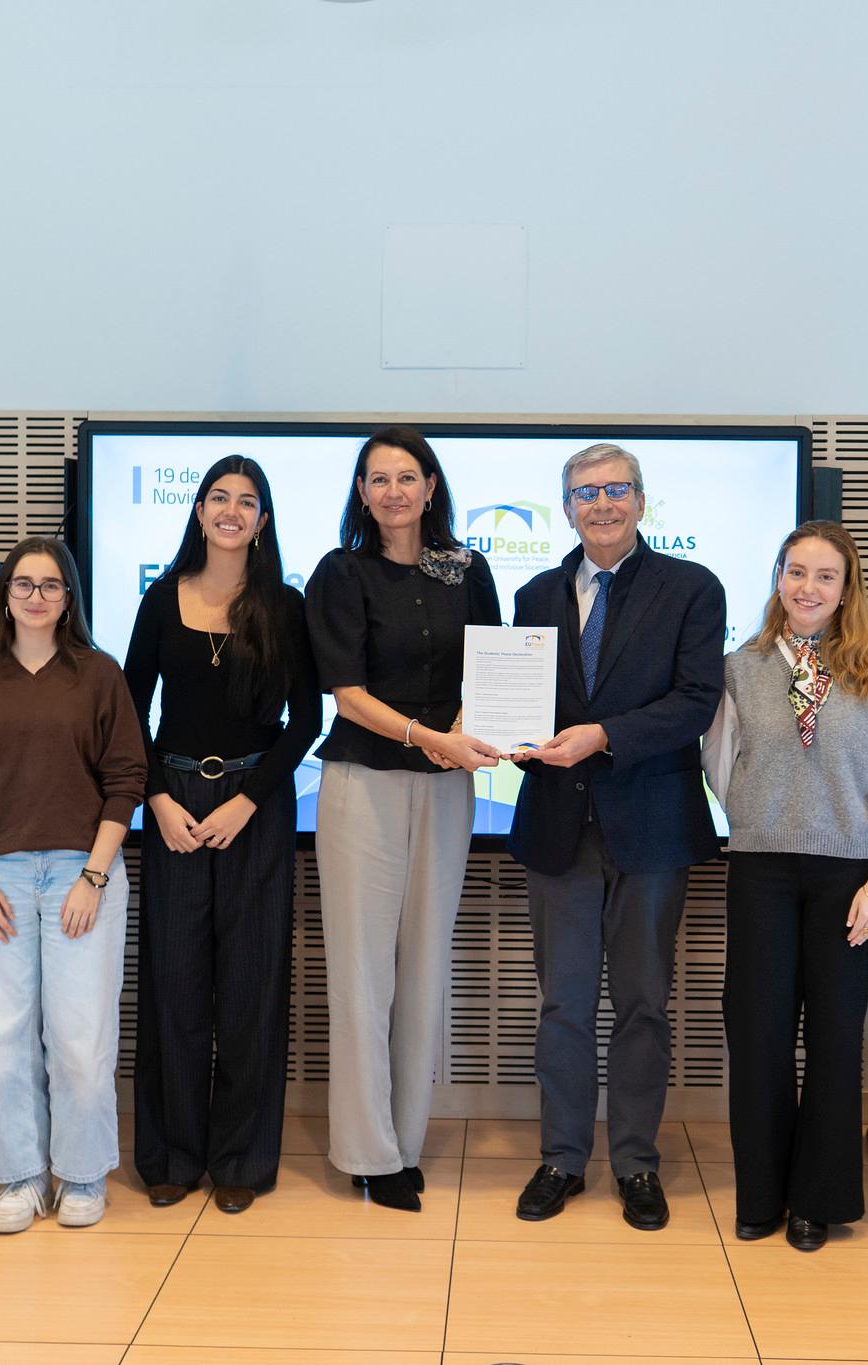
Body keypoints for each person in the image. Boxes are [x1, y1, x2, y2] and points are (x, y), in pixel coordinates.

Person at [506, 443, 726, 1231]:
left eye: (615, 490)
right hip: (558, 826)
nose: (601, 504)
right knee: (563, 1004)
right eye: (585, 492)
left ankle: (636, 1161)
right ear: (565, 506)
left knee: (643, 1005)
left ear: (642, 499)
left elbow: (696, 701)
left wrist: (601, 734)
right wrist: (503, 730)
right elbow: (515, 697)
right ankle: (562, 1157)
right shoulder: (534, 593)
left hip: (652, 826)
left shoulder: (691, 589)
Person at [702, 520, 868, 1251]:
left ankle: (815, 1199)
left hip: (847, 876)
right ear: (778, 577)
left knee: (833, 1037)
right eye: (796, 571)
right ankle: (761, 1193)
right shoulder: (742, 666)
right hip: (760, 866)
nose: (808, 587)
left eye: (825, 575)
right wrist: (760, 816)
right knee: (759, 1033)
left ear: (847, 587)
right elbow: (721, 762)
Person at [305, 426, 501, 1213]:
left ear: (430, 486)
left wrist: (460, 731)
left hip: (447, 784)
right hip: (364, 782)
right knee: (362, 971)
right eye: (377, 478)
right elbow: (346, 694)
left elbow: (490, 661)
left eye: (406, 477)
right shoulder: (340, 572)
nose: (392, 491)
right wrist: (432, 736)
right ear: (361, 491)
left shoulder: (468, 568)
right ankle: (365, 1150)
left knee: (425, 964)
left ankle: (404, 1140)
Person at [123, 456, 320, 1214]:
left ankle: (241, 1157)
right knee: (173, 985)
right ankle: (171, 1153)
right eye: (219, 498)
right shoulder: (159, 599)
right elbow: (127, 714)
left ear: (263, 519)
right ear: (199, 511)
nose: (231, 510)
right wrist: (157, 799)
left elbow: (305, 720)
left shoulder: (286, 606)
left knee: (250, 985)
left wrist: (248, 800)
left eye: (247, 501)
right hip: (172, 801)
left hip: (256, 806)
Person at [0, 536, 147, 1234]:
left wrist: (92, 874)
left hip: (83, 874)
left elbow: (126, 780)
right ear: (5, 595)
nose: (35, 596)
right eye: (22, 584)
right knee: (0, 1035)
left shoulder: (98, 673)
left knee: (80, 1035)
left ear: (69, 596)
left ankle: (83, 1173)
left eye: (50, 585)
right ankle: (21, 1175)